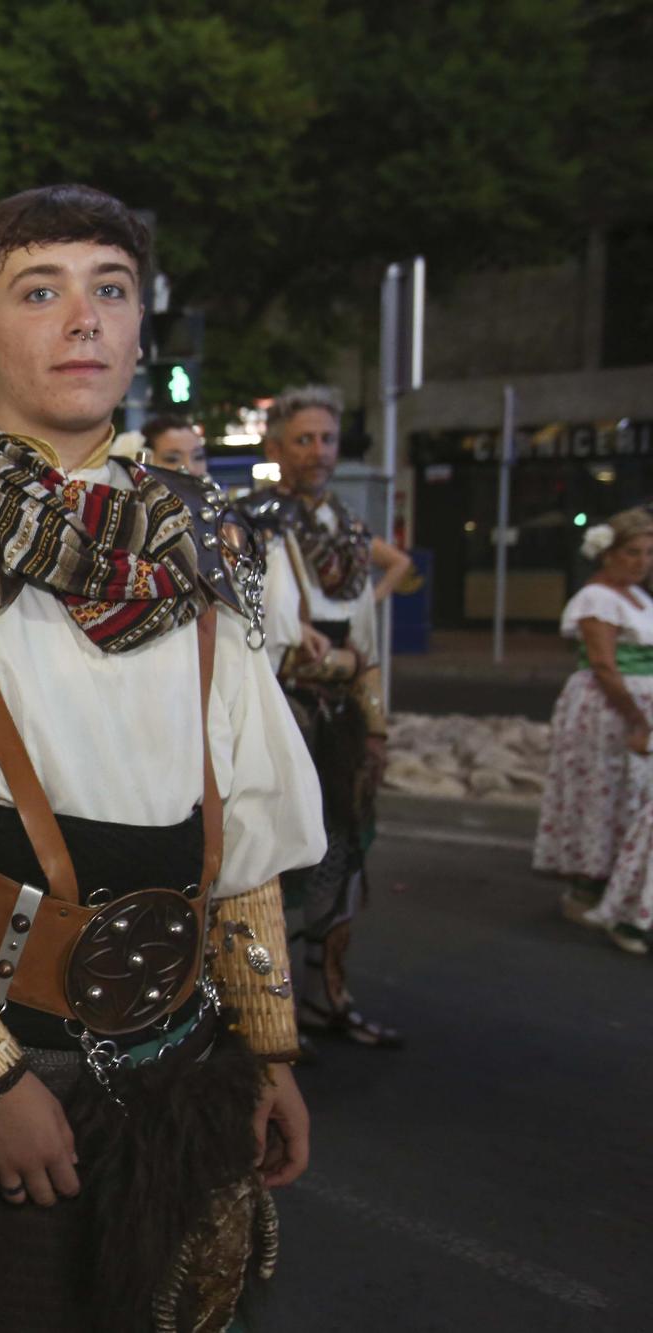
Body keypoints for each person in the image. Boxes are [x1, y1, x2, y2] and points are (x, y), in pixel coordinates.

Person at [0, 184, 322, 1331]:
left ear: (139, 328)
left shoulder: (204, 541)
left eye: (109, 290)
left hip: (183, 1066)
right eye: (39, 292)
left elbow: (241, 827)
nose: (81, 319)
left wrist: (267, 1050)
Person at [240, 385, 414, 1050]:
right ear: (275, 446)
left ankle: (326, 998)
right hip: (284, 716)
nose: (319, 452)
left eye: (328, 439)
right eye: (304, 439)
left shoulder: (343, 524)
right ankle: (266, 1014)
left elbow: (363, 640)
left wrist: (375, 727)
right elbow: (247, 636)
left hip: (338, 719)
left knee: (343, 860)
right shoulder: (251, 522)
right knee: (281, 867)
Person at [535, 511, 653, 952]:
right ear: (607, 553)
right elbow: (604, 664)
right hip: (609, 710)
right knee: (602, 792)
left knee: (633, 795)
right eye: (632, 552)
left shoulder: (638, 596)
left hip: (639, 704)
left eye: (648, 553)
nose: (641, 562)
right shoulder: (597, 599)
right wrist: (638, 719)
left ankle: (623, 886)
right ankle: (587, 886)